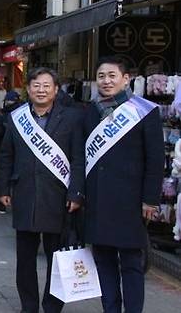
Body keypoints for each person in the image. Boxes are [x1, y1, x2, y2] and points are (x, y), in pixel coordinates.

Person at [0, 67, 84, 313]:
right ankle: (29, 305)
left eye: (47, 85)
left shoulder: (72, 118)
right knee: (25, 260)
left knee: (57, 258)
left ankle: (53, 305)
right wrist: (2, 188)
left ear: (56, 90)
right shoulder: (16, 117)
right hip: (25, 194)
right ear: (28, 89)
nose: (41, 90)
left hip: (59, 198)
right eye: (36, 85)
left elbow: (78, 159)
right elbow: (5, 155)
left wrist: (76, 192)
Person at [83, 56, 163, 313]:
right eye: (101, 76)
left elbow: (155, 159)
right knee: (103, 261)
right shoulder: (90, 112)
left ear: (125, 79)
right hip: (98, 199)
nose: (106, 81)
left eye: (112, 76)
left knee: (131, 263)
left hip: (130, 201)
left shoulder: (145, 111)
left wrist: (150, 199)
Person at [0, 90, 23, 214]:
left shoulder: (2, 115)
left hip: (3, 151)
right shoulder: (25, 115)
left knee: (3, 176)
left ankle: (2, 203)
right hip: (21, 153)